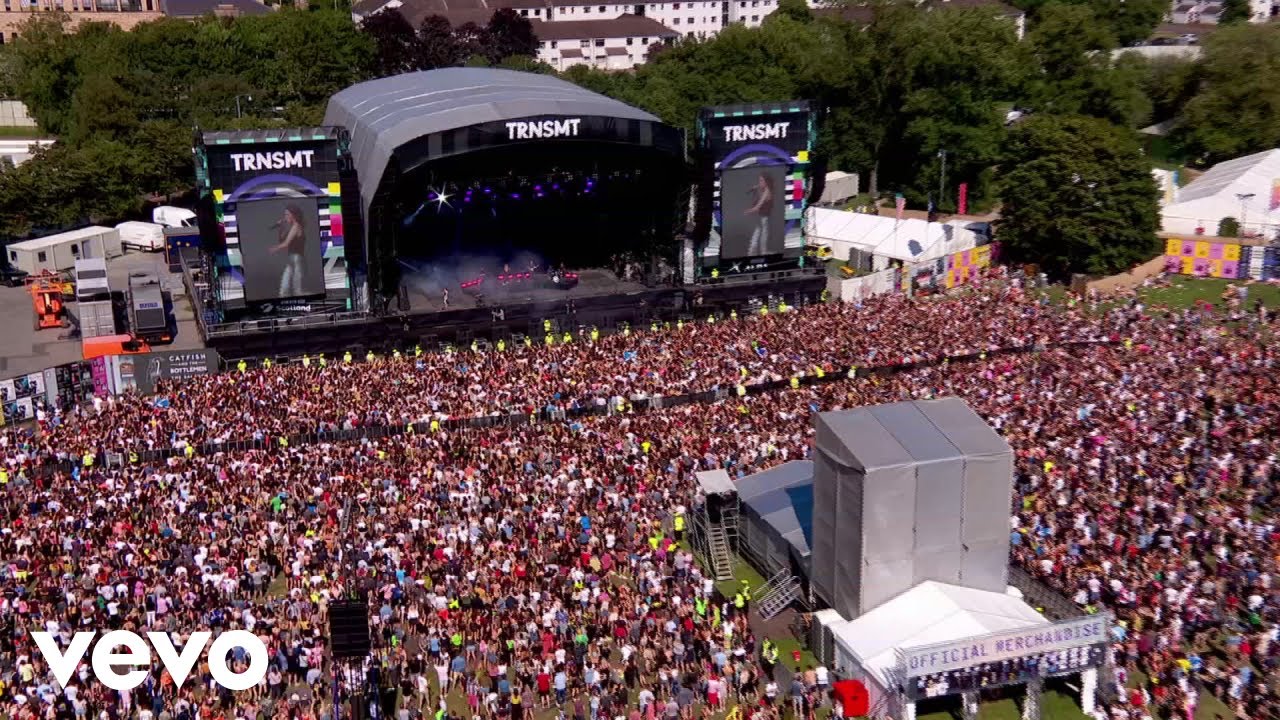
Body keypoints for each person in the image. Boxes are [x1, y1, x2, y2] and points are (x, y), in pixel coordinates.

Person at [267, 204, 309, 298]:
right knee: (284, 289)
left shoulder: (296, 226)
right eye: (285, 214)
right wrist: (280, 226)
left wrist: (274, 249)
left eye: (287, 214)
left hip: (297, 259)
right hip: (291, 260)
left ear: (293, 215)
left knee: (297, 291)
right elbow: (282, 240)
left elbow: (286, 243)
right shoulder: (293, 227)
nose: (285, 217)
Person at [743, 171, 776, 256]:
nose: (759, 182)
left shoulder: (767, 191)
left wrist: (748, 211)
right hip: (761, 217)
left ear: (766, 182)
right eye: (759, 180)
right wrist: (753, 188)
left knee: (761, 235)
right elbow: (757, 187)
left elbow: (757, 207)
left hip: (763, 217)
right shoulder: (764, 188)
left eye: (761, 180)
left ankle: (758, 252)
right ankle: (752, 252)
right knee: (758, 234)